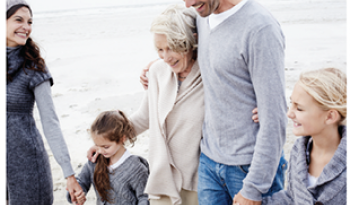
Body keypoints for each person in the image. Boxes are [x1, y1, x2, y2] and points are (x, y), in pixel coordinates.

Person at [140, 0, 288, 205]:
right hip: (209, 164)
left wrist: (253, 188)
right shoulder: (202, 16)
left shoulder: (261, 28)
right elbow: (175, 29)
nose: (188, 3)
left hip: (247, 166)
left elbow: (275, 118)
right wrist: (159, 64)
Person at [6, 0, 83, 204]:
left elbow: (50, 123)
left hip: (28, 168)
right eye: (18, 20)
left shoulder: (34, 67)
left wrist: (69, 174)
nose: (26, 27)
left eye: (30, 22)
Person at [258, 68, 347, 205]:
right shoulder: (297, 152)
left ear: (330, 116)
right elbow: (293, 197)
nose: (289, 114)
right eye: (291, 103)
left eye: (299, 108)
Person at [67, 110, 149, 205]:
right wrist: (77, 194)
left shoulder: (136, 168)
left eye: (106, 147)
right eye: (97, 145)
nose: (101, 151)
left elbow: (144, 198)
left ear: (122, 138)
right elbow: (81, 181)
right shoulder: (95, 161)